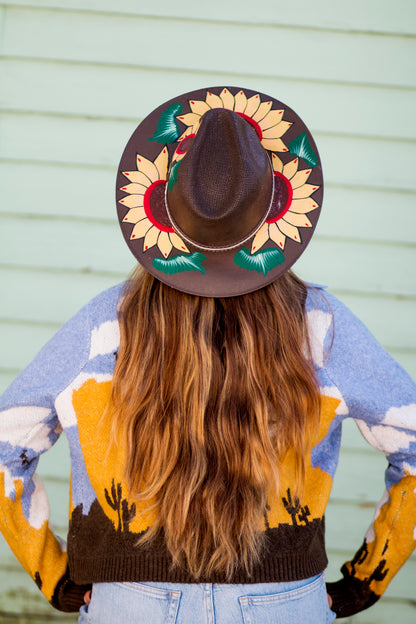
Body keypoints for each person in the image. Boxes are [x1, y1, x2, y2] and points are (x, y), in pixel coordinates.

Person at [0, 86, 415, 624]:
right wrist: (367, 577)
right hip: (283, 601)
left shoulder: (105, 322)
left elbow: (7, 444)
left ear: (162, 211)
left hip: (131, 603)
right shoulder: (321, 324)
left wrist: (53, 573)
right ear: (275, 214)